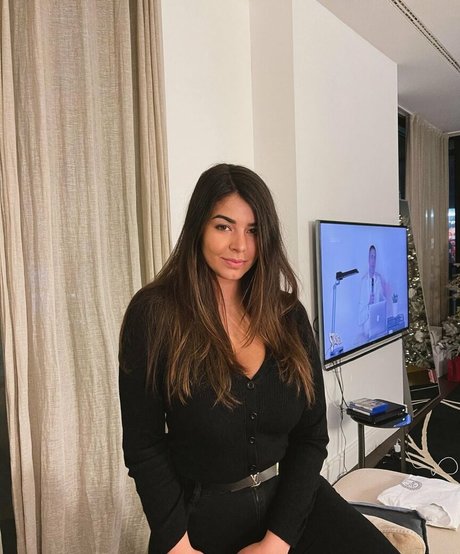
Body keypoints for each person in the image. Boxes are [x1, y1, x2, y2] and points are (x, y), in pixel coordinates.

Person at [119, 164, 398, 553]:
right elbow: (144, 447)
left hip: (290, 503)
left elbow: (311, 436)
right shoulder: (154, 315)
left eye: (252, 230)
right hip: (199, 517)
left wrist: (276, 542)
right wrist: (178, 545)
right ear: (198, 227)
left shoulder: (287, 315)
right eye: (224, 226)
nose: (240, 245)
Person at [358, 245, 390, 335]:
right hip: (368, 328)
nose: (373, 260)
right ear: (368, 259)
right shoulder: (363, 281)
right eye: (371, 257)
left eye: (375, 257)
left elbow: (382, 299)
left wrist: (386, 297)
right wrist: (369, 304)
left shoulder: (378, 279)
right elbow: (360, 318)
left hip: (378, 324)